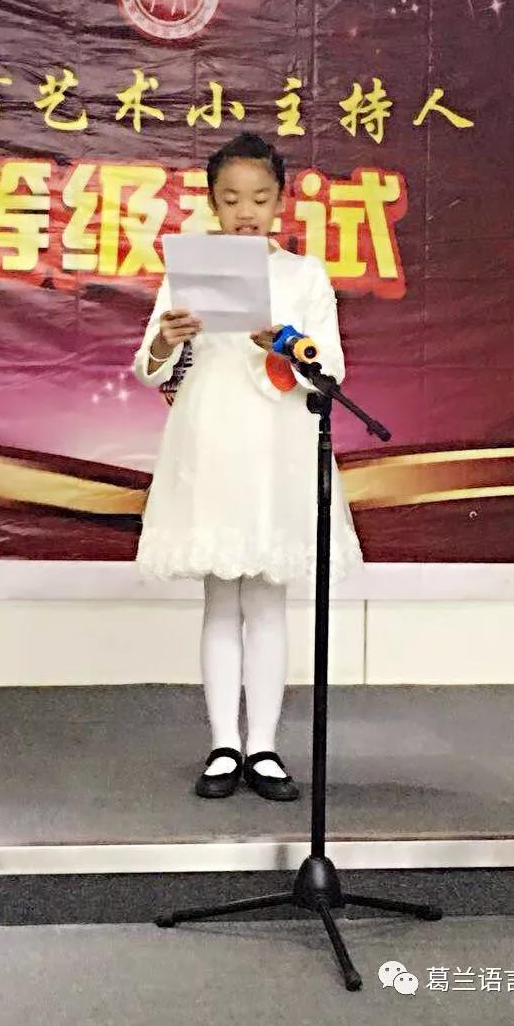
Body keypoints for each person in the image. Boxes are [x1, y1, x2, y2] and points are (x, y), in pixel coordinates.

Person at [132, 132, 362, 802]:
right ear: (212, 202)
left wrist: (288, 345)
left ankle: (262, 746)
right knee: (221, 597)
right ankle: (222, 744)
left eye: (260, 197)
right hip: (211, 441)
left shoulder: (304, 276)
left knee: (266, 598)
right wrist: (166, 339)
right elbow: (149, 368)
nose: (246, 210)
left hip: (278, 445)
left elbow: (331, 371)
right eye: (231, 198)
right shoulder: (191, 269)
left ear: (281, 201)